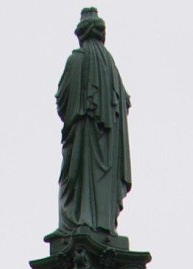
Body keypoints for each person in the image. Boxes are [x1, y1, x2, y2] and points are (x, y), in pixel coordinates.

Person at [56, 8, 131, 237]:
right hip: (109, 146)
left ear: (81, 35)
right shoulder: (113, 69)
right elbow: (125, 103)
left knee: (72, 180)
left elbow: (62, 99)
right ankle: (102, 222)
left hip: (81, 136)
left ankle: (78, 221)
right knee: (101, 183)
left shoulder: (76, 60)